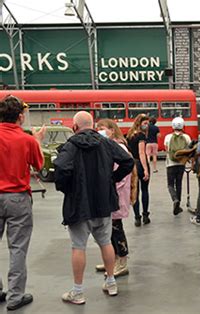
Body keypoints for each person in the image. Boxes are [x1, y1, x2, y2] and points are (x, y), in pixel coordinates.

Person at [54, 111, 134, 304]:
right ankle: (111, 282)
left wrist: (67, 188)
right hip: (104, 202)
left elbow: (62, 168)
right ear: (92, 124)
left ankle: (78, 292)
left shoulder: (71, 145)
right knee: (106, 242)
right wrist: (111, 179)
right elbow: (128, 161)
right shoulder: (106, 143)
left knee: (78, 246)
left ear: (74, 127)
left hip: (79, 205)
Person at [0, 96, 45, 311]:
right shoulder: (26, 140)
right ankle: (15, 296)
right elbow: (39, 164)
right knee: (17, 248)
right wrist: (37, 140)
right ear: (20, 116)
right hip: (18, 197)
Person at [96, 119, 135, 277]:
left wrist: (110, 188)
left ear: (112, 130)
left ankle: (122, 261)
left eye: (102, 128)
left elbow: (121, 175)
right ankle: (113, 259)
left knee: (116, 229)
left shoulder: (119, 147)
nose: (99, 130)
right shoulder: (109, 146)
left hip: (116, 195)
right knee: (109, 229)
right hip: (111, 194)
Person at [127, 114, 151, 227]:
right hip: (140, 164)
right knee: (145, 190)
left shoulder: (130, 135)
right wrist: (146, 169)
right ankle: (145, 215)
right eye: (145, 123)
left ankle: (137, 217)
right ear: (140, 123)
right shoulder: (141, 136)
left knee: (135, 191)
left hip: (132, 165)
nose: (147, 125)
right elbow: (142, 153)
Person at [164, 117, 191, 215]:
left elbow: (166, 148)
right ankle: (178, 206)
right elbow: (189, 149)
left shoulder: (168, 137)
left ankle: (175, 199)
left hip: (170, 164)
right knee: (179, 183)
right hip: (181, 164)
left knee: (170, 184)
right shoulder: (187, 137)